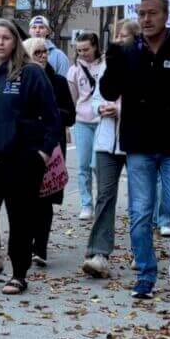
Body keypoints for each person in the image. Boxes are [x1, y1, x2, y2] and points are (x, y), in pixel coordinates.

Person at [99, 0, 170, 299]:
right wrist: (112, 59)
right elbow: (108, 91)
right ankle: (146, 273)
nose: (146, 19)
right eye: (141, 13)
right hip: (139, 143)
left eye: (152, 13)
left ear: (165, 15)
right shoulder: (128, 52)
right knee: (140, 213)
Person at [0, 19, 62, 295]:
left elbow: (52, 118)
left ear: (15, 42)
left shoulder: (30, 73)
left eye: (7, 38)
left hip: (22, 158)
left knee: (20, 218)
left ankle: (19, 273)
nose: (1, 42)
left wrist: (42, 152)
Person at [82, 21, 138, 279]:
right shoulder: (107, 65)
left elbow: (152, 104)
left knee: (140, 199)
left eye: (123, 34)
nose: (118, 38)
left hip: (136, 142)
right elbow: (95, 98)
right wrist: (100, 109)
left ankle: (141, 250)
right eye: (116, 34)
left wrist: (122, 111)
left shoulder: (145, 63)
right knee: (105, 196)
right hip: (106, 142)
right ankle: (98, 253)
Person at [25, 36, 77, 268]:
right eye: (37, 52)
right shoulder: (19, 80)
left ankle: (41, 247)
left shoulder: (58, 81)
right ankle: (25, 244)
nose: (43, 56)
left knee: (44, 200)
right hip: (24, 148)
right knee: (25, 199)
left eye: (45, 51)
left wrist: (51, 111)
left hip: (50, 148)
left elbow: (70, 116)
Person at [66, 32, 105, 220]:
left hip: (103, 122)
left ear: (95, 46)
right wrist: (67, 123)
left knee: (98, 165)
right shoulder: (74, 69)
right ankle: (86, 203)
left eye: (86, 49)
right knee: (83, 165)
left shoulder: (107, 64)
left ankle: (101, 201)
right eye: (79, 50)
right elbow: (72, 97)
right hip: (82, 122)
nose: (83, 53)